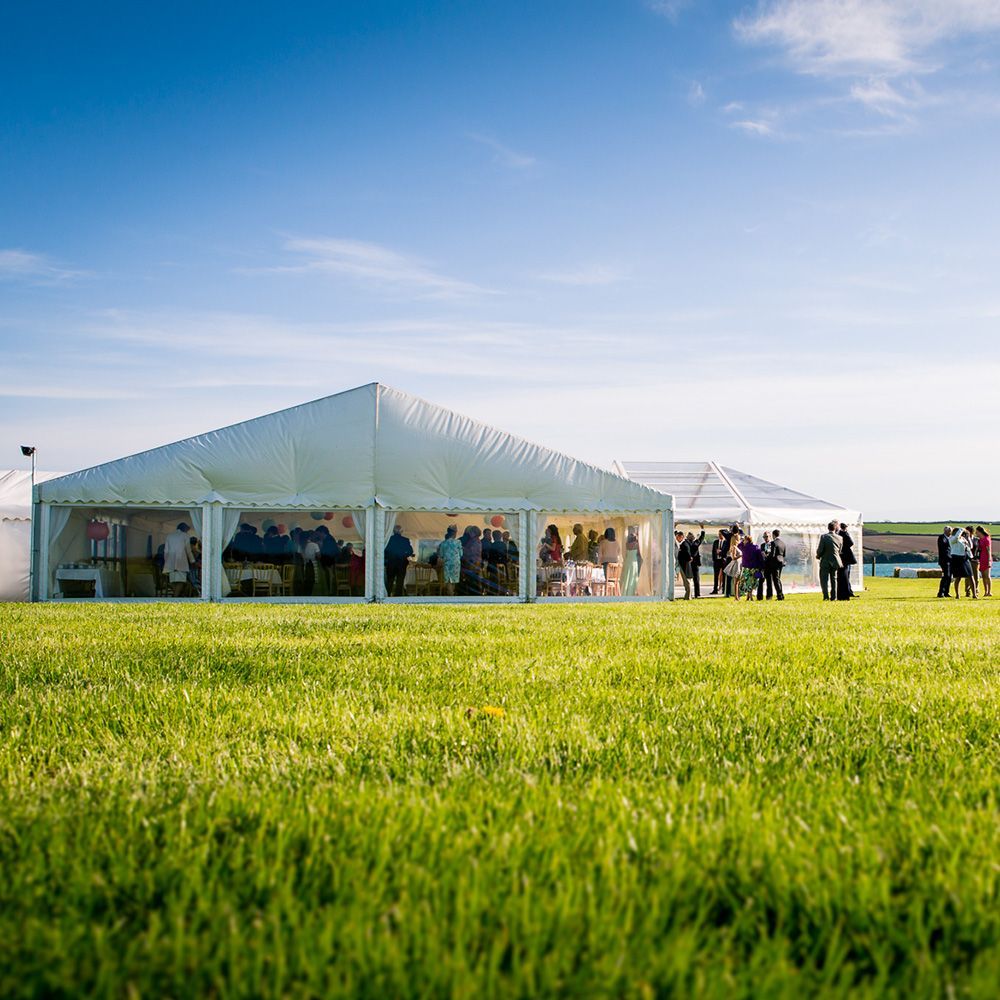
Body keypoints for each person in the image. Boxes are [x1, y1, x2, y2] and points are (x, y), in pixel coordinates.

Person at [163, 522, 194, 597]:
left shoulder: (169, 536)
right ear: (184, 529)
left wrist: (166, 561)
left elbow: (166, 551)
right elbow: (188, 550)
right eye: (187, 530)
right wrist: (192, 560)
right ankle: (176, 597)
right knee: (181, 581)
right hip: (181, 561)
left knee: (173, 580)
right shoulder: (185, 535)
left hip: (170, 561)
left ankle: (176, 595)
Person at [384, 524, 413, 597]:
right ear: (401, 532)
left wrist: (387, 558)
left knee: (390, 581)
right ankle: (398, 597)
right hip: (402, 563)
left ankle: (387, 595)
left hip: (390, 563)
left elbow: (385, 551)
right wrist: (404, 554)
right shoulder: (405, 540)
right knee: (400, 581)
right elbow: (410, 551)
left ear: (393, 531)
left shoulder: (388, 540)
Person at [816, 521, 843, 601]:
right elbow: (839, 550)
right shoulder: (840, 538)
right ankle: (834, 597)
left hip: (825, 560)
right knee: (834, 579)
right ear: (835, 528)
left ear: (828, 528)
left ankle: (826, 596)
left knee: (824, 580)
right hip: (835, 560)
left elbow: (820, 549)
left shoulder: (824, 537)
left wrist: (818, 555)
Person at [949, 527, 976, 599]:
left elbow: (970, 546)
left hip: (964, 558)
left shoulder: (963, 539)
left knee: (971, 576)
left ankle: (974, 595)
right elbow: (956, 538)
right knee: (958, 577)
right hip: (956, 558)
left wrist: (968, 538)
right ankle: (957, 595)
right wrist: (961, 529)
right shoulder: (951, 538)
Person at [438, 525, 463, 596]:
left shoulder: (443, 543)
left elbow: (441, 555)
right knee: (454, 580)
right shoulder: (458, 542)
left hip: (447, 563)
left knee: (448, 580)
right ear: (455, 533)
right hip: (456, 563)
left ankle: (451, 595)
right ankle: (452, 594)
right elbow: (461, 554)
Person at [740, 534, 764, 601]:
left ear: (747, 540)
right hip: (754, 567)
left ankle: (749, 596)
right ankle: (749, 596)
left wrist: (742, 541)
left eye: (744, 540)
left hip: (746, 567)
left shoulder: (744, 547)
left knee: (747, 582)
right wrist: (761, 567)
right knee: (752, 582)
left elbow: (739, 545)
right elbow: (760, 558)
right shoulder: (756, 547)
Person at [764, 528, 786, 600]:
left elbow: (772, 554)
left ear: (773, 535)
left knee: (776, 580)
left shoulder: (773, 543)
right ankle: (781, 595)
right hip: (781, 562)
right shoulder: (783, 543)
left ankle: (780, 596)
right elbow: (784, 554)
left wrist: (766, 556)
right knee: (778, 579)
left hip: (774, 563)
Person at [837, 522, 856, 601]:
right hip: (845, 557)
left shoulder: (839, 534)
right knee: (846, 574)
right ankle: (848, 591)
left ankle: (848, 590)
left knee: (845, 574)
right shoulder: (844, 534)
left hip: (842, 556)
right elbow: (851, 543)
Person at [722, 528, 743, 598]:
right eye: (738, 539)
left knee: (737, 581)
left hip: (738, 563)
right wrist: (740, 555)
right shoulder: (733, 547)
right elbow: (733, 557)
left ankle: (737, 595)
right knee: (736, 581)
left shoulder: (736, 547)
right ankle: (736, 596)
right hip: (736, 563)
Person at [687, 526, 706, 598]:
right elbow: (702, 537)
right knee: (696, 579)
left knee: (689, 579)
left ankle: (689, 593)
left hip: (688, 563)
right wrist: (702, 529)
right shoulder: (696, 543)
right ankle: (697, 593)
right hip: (695, 563)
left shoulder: (686, 543)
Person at [674, 530, 693, 600]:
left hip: (685, 566)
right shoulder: (683, 544)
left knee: (687, 581)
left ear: (681, 537)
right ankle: (687, 596)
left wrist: (689, 558)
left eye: (677, 537)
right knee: (687, 582)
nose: (676, 539)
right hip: (683, 565)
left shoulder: (684, 544)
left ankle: (688, 596)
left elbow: (688, 554)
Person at [622, 529, 641, 596]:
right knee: (633, 578)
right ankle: (632, 592)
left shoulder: (627, 544)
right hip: (633, 562)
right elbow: (639, 553)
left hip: (627, 561)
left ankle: (625, 591)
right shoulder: (637, 544)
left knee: (627, 577)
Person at [975, 526, 992, 598]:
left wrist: (989, 560)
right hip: (981, 558)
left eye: (977, 532)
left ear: (980, 532)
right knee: (983, 576)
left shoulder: (986, 539)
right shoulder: (980, 540)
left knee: (987, 576)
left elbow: (988, 551)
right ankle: (985, 591)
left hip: (986, 558)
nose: (976, 533)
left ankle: (989, 592)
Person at [937, 526, 953, 598]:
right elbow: (944, 548)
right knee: (946, 576)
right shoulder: (942, 538)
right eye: (950, 531)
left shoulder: (949, 538)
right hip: (944, 560)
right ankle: (941, 592)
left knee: (949, 577)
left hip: (949, 560)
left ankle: (946, 592)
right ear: (947, 531)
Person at [965, 525, 980, 597]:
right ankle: (967, 591)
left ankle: (975, 590)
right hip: (967, 559)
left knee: (976, 577)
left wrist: (978, 558)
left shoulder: (976, 539)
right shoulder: (964, 539)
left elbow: (979, 550)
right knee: (968, 577)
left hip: (975, 560)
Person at [711, 529, 726, 595]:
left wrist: (721, 552)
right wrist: (714, 559)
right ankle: (715, 589)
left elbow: (726, 551)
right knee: (716, 576)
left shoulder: (726, 542)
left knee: (724, 576)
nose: (720, 535)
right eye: (719, 534)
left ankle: (724, 589)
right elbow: (713, 551)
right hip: (716, 561)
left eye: (721, 534)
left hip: (723, 561)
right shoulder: (715, 542)